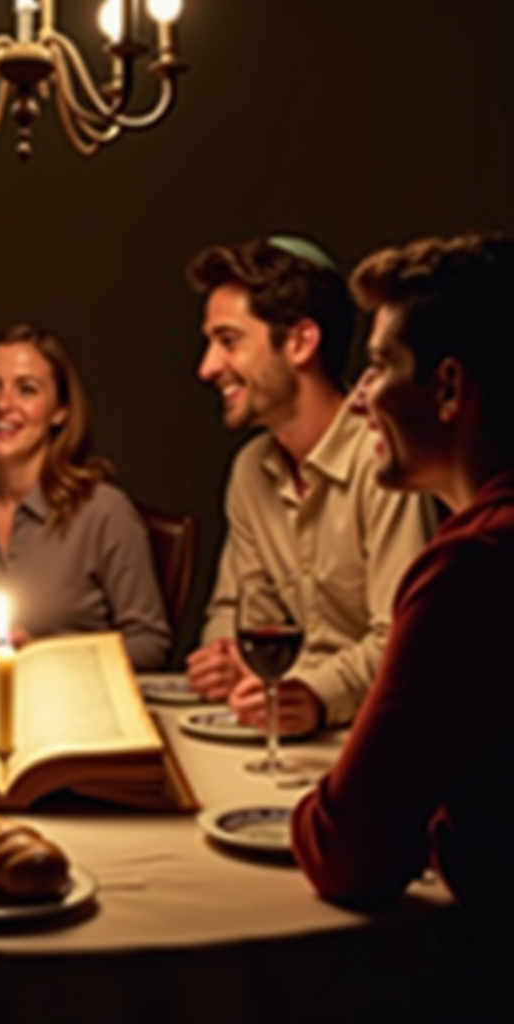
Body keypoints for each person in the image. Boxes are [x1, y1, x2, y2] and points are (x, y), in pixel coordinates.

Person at [292, 233, 513, 1020]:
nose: (358, 398)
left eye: (381, 366)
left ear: (449, 389)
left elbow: (347, 852)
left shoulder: (475, 568)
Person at [184, 235, 435, 732]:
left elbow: (404, 641)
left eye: (228, 341)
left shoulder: (385, 462)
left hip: (378, 738)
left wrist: (317, 696)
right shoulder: (250, 470)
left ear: (300, 342)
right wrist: (226, 656)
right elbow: (233, 609)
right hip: (279, 734)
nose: (207, 367)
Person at [0, 323, 171, 670]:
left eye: (27, 390)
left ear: (59, 411)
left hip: (73, 711)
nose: (2, 404)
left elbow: (151, 643)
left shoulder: (106, 512)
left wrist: (47, 656)